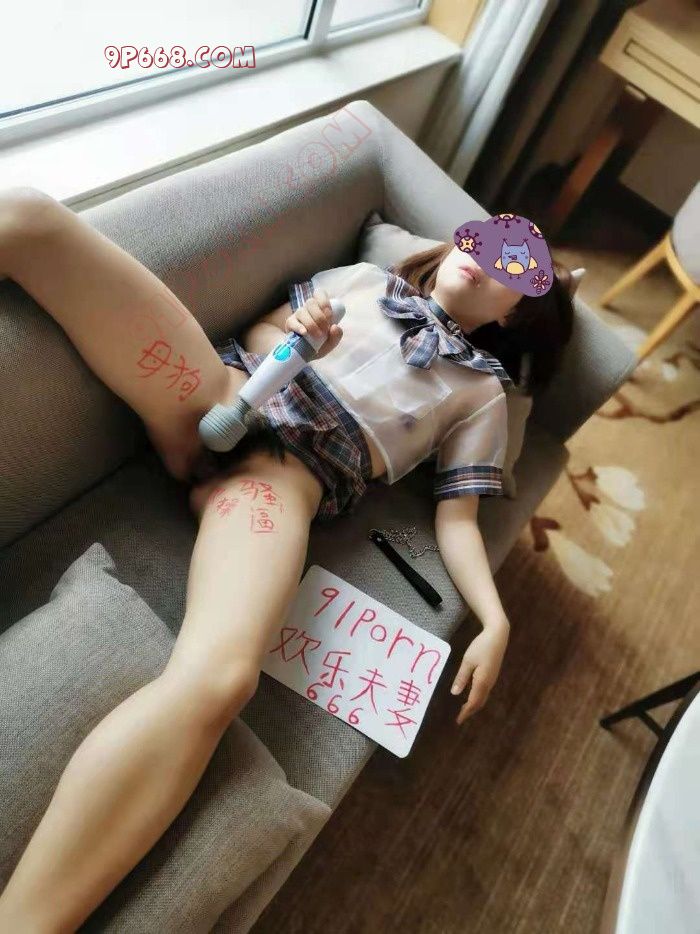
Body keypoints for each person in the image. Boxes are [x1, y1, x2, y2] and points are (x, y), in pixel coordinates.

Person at [0, 188, 575, 930]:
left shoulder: (481, 395)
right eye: (488, 241)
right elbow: (265, 328)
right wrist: (301, 336)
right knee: (30, 219)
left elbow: (457, 518)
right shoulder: (365, 282)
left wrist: (494, 620)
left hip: (278, 485)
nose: (487, 263)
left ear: (514, 312)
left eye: (513, 270)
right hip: (219, 391)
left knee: (220, 681)